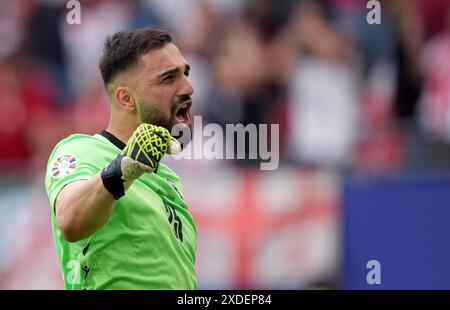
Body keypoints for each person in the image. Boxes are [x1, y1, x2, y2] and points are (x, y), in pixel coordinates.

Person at [44, 28, 197, 289]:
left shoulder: (168, 178)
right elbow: (69, 220)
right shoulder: (82, 150)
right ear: (126, 98)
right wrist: (121, 170)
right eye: (168, 78)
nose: (188, 88)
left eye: (185, 73)